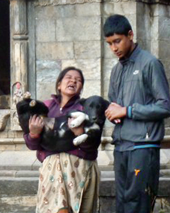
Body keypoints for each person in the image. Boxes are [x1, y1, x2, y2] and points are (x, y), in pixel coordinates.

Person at [104, 14, 170, 213]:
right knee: (123, 204)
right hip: (121, 146)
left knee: (138, 205)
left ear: (130, 35)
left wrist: (127, 111)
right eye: (109, 43)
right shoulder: (116, 70)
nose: (114, 48)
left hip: (143, 146)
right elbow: (113, 105)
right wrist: (111, 113)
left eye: (117, 41)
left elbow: (165, 106)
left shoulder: (150, 63)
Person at [24, 66, 101, 213]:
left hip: (79, 168)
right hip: (51, 168)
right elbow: (31, 144)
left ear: (81, 89)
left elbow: (92, 146)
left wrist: (80, 133)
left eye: (78, 80)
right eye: (69, 77)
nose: (73, 81)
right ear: (59, 85)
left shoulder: (85, 108)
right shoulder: (45, 107)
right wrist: (34, 133)